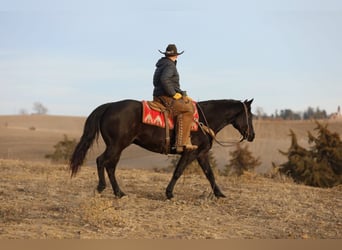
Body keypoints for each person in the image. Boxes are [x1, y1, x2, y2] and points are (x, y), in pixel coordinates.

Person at [153, 44, 198, 153]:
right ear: (176, 56)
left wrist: (182, 93)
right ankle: (181, 143)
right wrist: (173, 94)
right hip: (166, 97)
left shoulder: (162, 65)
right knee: (189, 109)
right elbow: (165, 80)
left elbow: (161, 82)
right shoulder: (170, 66)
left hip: (159, 95)